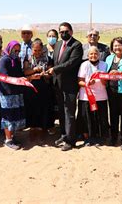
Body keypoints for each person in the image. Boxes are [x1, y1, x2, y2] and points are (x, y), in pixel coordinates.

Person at [46, 22, 83, 151]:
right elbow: (55, 61)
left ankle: (71, 141)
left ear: (71, 32)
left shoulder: (77, 45)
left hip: (70, 85)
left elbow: (71, 63)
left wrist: (55, 69)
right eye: (61, 32)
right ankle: (64, 134)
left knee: (69, 112)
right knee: (61, 111)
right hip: (58, 84)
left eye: (66, 31)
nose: (63, 34)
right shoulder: (58, 44)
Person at [0, 40, 31, 150]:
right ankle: (8, 139)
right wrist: (18, 79)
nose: (16, 52)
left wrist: (29, 78)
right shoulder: (4, 60)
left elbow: (20, 74)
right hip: (7, 93)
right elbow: (4, 77)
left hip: (17, 92)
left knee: (15, 115)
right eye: (14, 50)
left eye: (18, 50)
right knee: (8, 116)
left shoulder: (16, 60)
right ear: (9, 49)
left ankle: (12, 136)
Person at [23, 38, 54, 141]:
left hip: (44, 87)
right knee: (31, 107)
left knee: (43, 108)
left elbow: (50, 73)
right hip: (31, 88)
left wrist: (46, 74)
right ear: (31, 49)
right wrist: (34, 70)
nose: (37, 52)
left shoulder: (48, 58)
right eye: (35, 50)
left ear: (42, 49)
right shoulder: (27, 59)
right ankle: (32, 129)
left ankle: (42, 129)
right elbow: (26, 72)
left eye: (39, 50)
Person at [77, 46, 109, 146]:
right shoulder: (84, 64)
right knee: (87, 118)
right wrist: (88, 83)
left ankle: (100, 138)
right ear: (88, 55)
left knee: (100, 118)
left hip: (101, 96)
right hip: (86, 96)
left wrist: (102, 78)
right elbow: (80, 81)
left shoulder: (104, 65)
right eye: (91, 54)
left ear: (99, 55)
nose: (93, 56)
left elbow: (106, 83)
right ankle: (88, 138)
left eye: (95, 53)